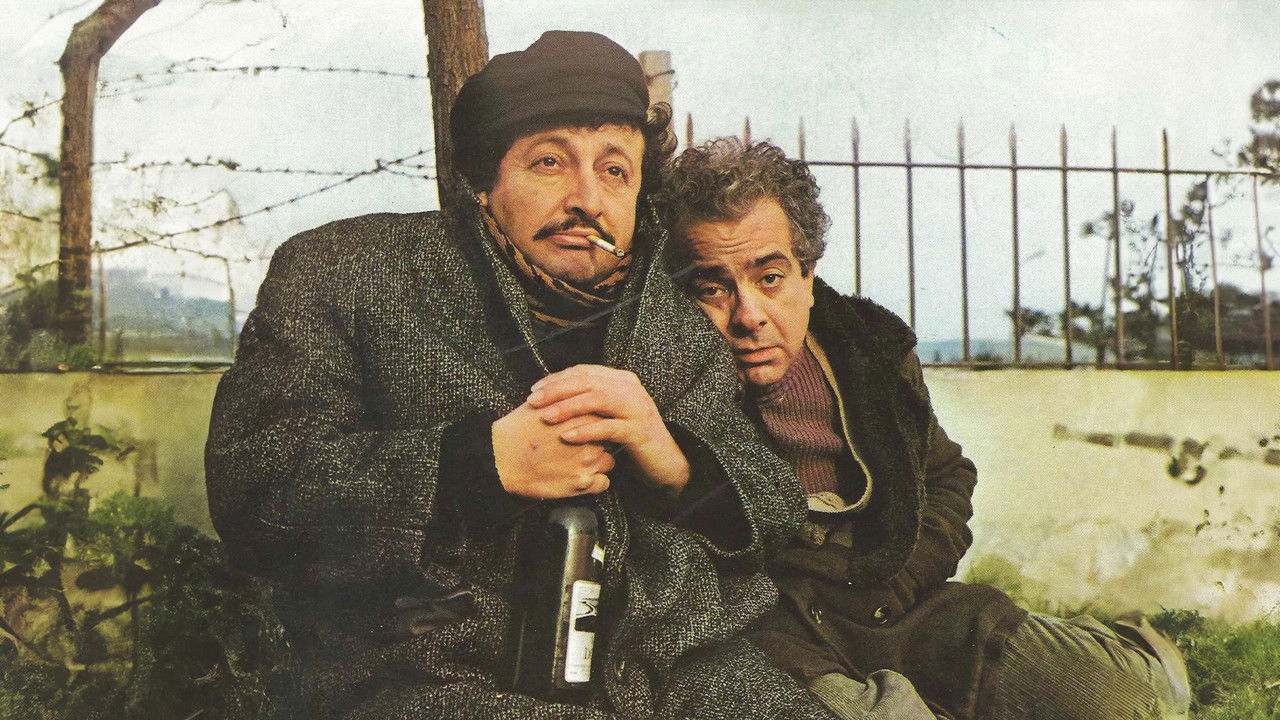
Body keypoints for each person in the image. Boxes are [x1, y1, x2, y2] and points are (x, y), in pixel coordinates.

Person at [205, 33, 837, 719]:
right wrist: (476, 466)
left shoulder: (678, 318)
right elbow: (255, 496)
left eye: (615, 170)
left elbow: (775, 509)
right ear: (484, 182)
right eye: (549, 163)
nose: (587, 199)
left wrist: (677, 461)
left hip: (678, 676)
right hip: (431, 679)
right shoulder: (349, 273)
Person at [661, 138, 1192, 720]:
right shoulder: (668, 390)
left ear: (807, 276)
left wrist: (903, 580)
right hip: (782, 643)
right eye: (713, 288)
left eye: (769, 277)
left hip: (907, 610)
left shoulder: (871, 351)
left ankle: (1129, 651)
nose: (748, 316)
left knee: (1125, 700)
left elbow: (946, 477)